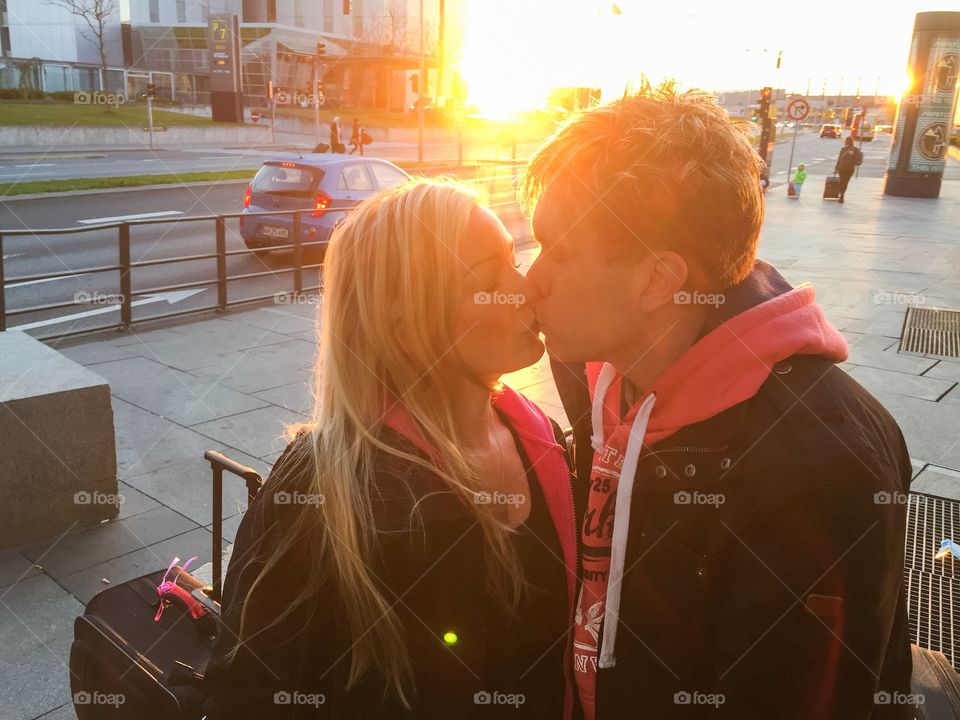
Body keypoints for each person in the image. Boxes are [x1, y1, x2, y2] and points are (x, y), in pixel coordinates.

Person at [518, 84, 912, 719]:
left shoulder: (823, 463)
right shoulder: (595, 372)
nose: (528, 282)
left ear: (658, 279)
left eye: (557, 253)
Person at [203, 179, 580, 719]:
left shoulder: (537, 432)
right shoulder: (326, 488)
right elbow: (247, 695)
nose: (523, 289)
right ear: (404, 323)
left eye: (512, 261)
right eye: (486, 278)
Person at [834, 136, 863, 203]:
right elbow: (839, 159)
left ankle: (842, 195)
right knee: (843, 182)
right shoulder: (843, 149)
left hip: (848, 168)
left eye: (846, 141)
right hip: (844, 168)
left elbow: (859, 159)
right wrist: (836, 168)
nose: (846, 142)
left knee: (844, 182)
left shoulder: (855, 150)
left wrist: (852, 155)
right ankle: (842, 195)